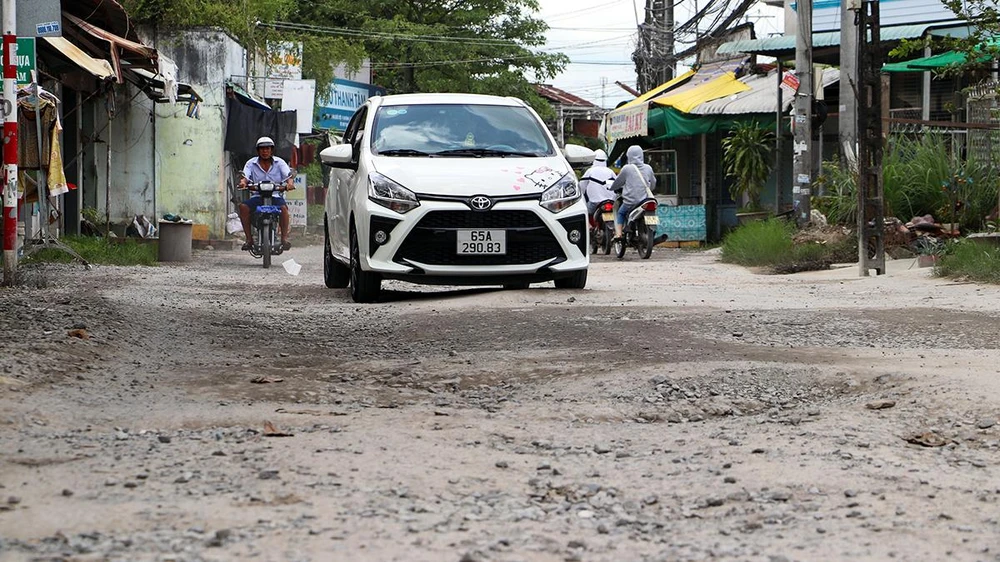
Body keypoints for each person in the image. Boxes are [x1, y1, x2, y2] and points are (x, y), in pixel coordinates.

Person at [239, 136, 294, 251]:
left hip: (275, 195)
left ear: (271, 150)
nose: (265, 151)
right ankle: (249, 239)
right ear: (258, 151)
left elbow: (288, 175)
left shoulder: (280, 163)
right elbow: (245, 176)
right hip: (257, 196)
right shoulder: (251, 163)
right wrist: (243, 183)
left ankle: (284, 239)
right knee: (243, 207)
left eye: (267, 149)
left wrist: (289, 183)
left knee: (284, 209)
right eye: (262, 149)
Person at [609, 145, 656, 242]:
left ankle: (618, 234)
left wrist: (612, 188)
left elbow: (618, 182)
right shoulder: (648, 168)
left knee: (621, 213)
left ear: (629, 156)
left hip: (631, 202)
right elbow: (653, 183)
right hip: (646, 201)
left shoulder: (627, 168)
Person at [579, 149, 617, 223]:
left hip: (595, 202)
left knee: (586, 213)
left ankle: (589, 227)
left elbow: (581, 186)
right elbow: (617, 185)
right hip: (611, 201)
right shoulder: (610, 172)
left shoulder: (590, 171)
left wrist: (582, 196)